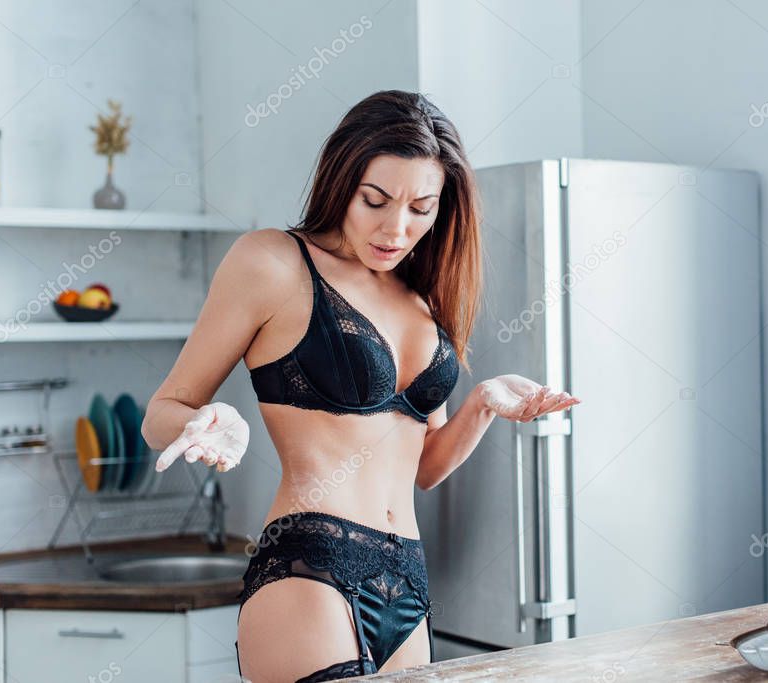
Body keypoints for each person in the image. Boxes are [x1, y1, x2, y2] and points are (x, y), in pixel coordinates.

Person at [141, 90, 579, 681]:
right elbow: (163, 410)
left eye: (421, 208)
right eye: (375, 200)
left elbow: (422, 468)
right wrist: (211, 420)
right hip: (310, 569)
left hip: (409, 577)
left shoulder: (421, 294)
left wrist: (481, 403)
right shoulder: (273, 262)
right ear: (342, 181)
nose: (397, 228)